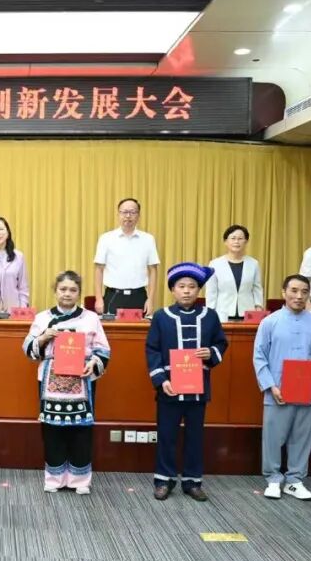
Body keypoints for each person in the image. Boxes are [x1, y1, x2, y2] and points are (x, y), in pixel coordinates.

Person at [145, 262, 228, 501]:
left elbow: (221, 343)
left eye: (192, 286)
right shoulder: (161, 316)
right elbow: (152, 350)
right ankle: (164, 480)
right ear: (173, 289)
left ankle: (192, 481)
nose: (187, 291)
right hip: (169, 388)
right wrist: (161, 380)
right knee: (166, 435)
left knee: (195, 437)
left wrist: (211, 352)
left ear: (198, 290)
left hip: (198, 389)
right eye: (181, 286)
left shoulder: (210, 316)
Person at [22, 271, 111, 493]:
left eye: (73, 290)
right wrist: (43, 337)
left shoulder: (91, 318)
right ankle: (54, 479)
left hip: (82, 379)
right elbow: (28, 348)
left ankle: (80, 481)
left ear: (79, 293)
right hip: (50, 379)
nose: (67, 294)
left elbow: (103, 349)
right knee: (52, 430)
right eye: (63, 289)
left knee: (81, 430)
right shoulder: (42, 317)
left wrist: (94, 363)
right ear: (55, 291)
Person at [252, 274, 311, 501]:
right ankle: (273, 479)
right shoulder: (270, 322)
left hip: (307, 389)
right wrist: (270, 385)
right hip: (277, 389)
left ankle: (295, 480)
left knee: (302, 436)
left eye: (304, 292)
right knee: (273, 437)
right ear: (284, 292)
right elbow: (259, 357)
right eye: (294, 291)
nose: (299, 296)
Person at [93, 197, 160, 315]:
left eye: (132, 212)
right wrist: (99, 298)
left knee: (141, 327)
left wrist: (150, 299)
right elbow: (99, 269)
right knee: (111, 327)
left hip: (139, 296)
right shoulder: (106, 238)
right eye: (124, 212)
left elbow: (153, 270)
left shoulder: (148, 239)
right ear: (118, 214)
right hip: (113, 295)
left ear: (138, 215)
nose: (128, 216)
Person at [205, 224, 264, 320]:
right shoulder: (215, 264)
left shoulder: (253, 264)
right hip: (222, 314)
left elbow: (257, 288)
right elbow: (211, 292)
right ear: (226, 241)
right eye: (233, 238)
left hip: (248, 314)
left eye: (240, 238)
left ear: (246, 241)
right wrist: (210, 313)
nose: (236, 241)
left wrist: (258, 307)